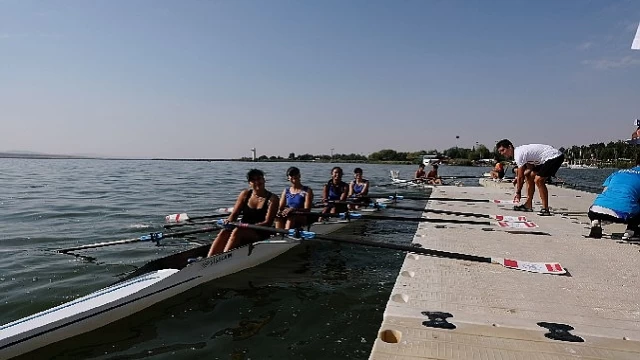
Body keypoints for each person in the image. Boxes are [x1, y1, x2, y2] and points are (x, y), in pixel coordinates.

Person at [208, 169, 279, 257]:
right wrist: (228, 221)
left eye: (259, 178)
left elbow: (268, 223)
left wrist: (246, 227)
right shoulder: (245, 194)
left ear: (264, 180)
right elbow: (234, 214)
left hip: (261, 232)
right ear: (249, 183)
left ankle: (224, 257)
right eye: (253, 180)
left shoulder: (273, 199)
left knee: (238, 231)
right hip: (243, 228)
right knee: (224, 231)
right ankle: (209, 258)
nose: (257, 182)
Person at [496, 139, 564, 216]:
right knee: (529, 176)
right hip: (546, 158)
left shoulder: (518, 154)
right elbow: (530, 168)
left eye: (503, 150)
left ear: (510, 147)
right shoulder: (520, 152)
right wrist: (517, 178)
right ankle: (528, 205)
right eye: (500, 152)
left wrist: (518, 193)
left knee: (538, 180)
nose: (502, 153)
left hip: (554, 156)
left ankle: (545, 209)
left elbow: (521, 177)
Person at [587, 155, 640, 240]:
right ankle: (631, 230)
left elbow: (604, 191)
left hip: (597, 209)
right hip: (624, 214)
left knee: (599, 206)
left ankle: (596, 221)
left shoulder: (618, 172)